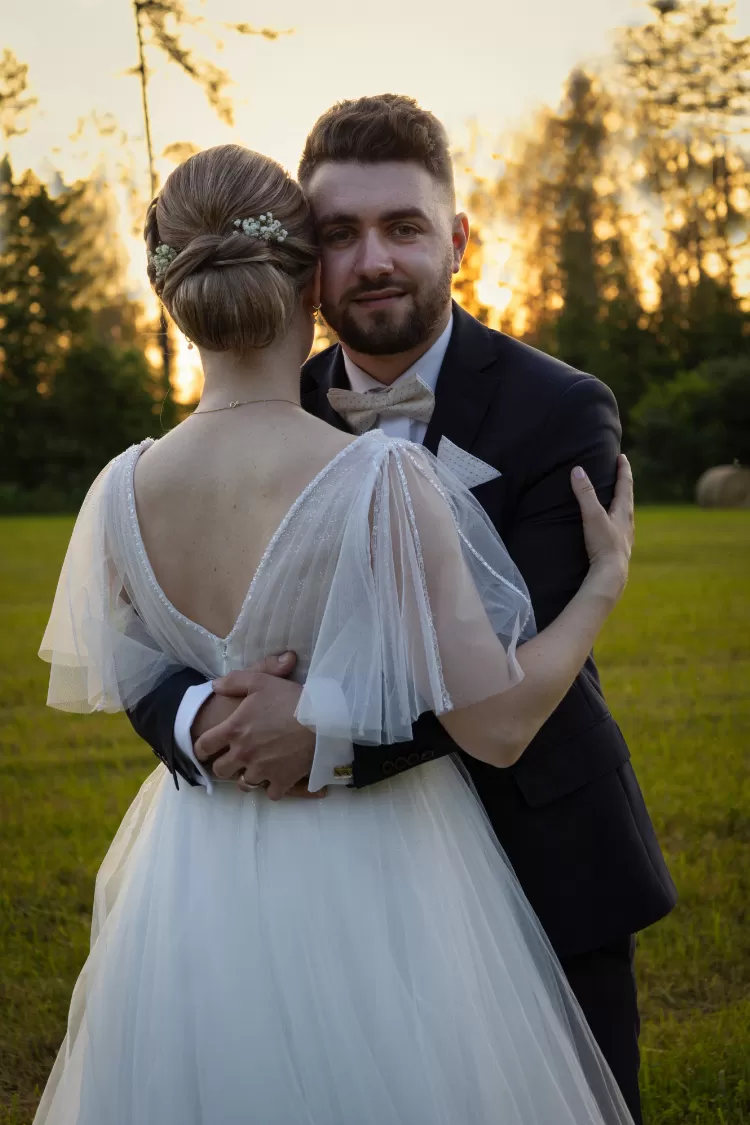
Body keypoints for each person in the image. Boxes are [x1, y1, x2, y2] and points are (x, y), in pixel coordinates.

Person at [35, 140, 639, 1125]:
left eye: (403, 228)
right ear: (307, 280)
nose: (371, 261)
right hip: (392, 868)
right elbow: (494, 724)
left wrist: (289, 718)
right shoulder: (383, 478)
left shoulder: (116, 489)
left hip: (195, 880)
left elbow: (124, 658)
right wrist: (603, 588)